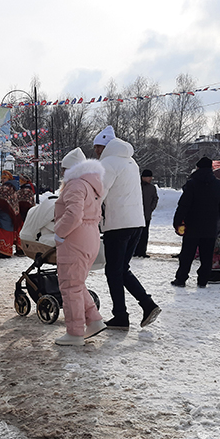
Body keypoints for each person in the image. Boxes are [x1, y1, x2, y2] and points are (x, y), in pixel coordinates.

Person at [93, 125, 160, 329]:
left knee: (113, 271)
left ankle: (121, 315)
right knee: (121, 269)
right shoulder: (130, 161)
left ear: (104, 146)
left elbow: (98, 193)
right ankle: (147, 304)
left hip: (118, 224)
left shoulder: (108, 163)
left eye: (96, 147)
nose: (95, 152)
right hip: (135, 223)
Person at [53, 154, 106, 346]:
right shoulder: (91, 185)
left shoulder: (75, 185)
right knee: (77, 283)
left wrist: (59, 232)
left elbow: (74, 215)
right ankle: (94, 319)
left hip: (75, 239)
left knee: (70, 286)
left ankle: (74, 333)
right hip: (90, 236)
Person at [171, 157, 220, 288]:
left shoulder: (191, 184)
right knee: (207, 255)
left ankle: (181, 279)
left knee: (187, 254)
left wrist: (177, 222)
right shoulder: (219, 185)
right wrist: (214, 216)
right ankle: (203, 280)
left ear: (198, 168)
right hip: (210, 227)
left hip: (192, 226)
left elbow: (183, 205)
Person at [0, 169, 21, 258]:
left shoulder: (5, 188)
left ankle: (4, 251)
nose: (2, 180)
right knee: (8, 233)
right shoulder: (13, 188)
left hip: (3, 213)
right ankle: (7, 250)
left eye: (4, 178)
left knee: (3, 233)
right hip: (11, 214)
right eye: (2, 178)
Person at [135, 169, 158, 258]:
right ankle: (135, 251)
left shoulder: (152, 188)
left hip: (146, 215)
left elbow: (155, 198)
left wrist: (151, 208)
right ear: (144, 177)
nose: (151, 179)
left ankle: (142, 251)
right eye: (149, 177)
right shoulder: (137, 186)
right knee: (136, 234)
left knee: (145, 234)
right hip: (137, 215)